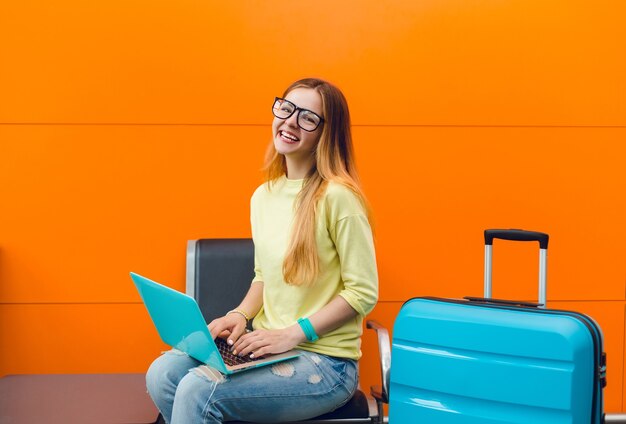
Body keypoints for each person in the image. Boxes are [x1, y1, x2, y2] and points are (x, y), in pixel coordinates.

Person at [146, 78, 378, 423]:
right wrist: (238, 316)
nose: (290, 122)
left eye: (308, 118)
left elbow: (362, 292)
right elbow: (263, 277)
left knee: (198, 391)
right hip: (265, 347)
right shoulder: (263, 196)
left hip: (326, 364)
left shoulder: (339, 198)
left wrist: (292, 334)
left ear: (326, 133)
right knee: (162, 373)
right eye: (286, 109)